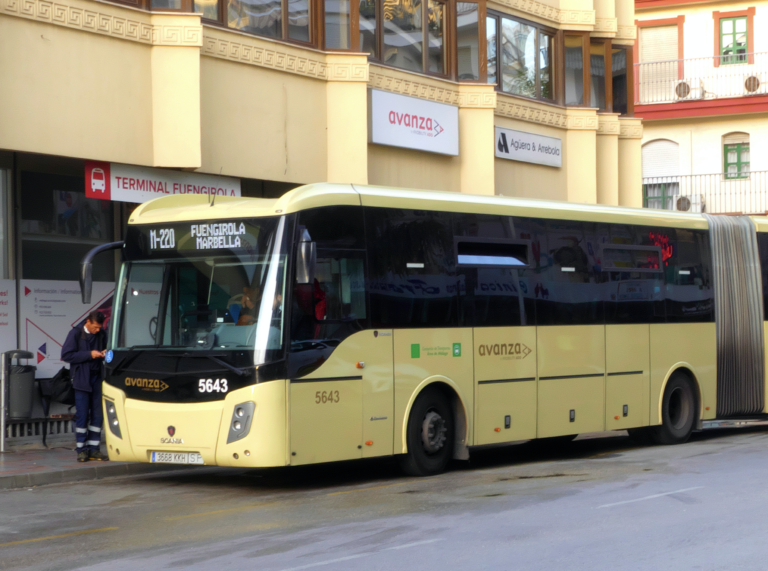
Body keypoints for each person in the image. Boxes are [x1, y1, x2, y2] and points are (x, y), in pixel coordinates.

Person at [61, 310, 109, 462]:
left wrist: (106, 352)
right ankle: (81, 450)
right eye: (95, 327)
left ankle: (94, 449)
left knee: (97, 415)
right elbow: (67, 355)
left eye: (99, 328)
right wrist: (89, 354)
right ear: (87, 321)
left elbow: (109, 350)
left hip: (97, 379)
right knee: (82, 415)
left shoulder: (102, 334)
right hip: (81, 380)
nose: (97, 330)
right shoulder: (75, 333)